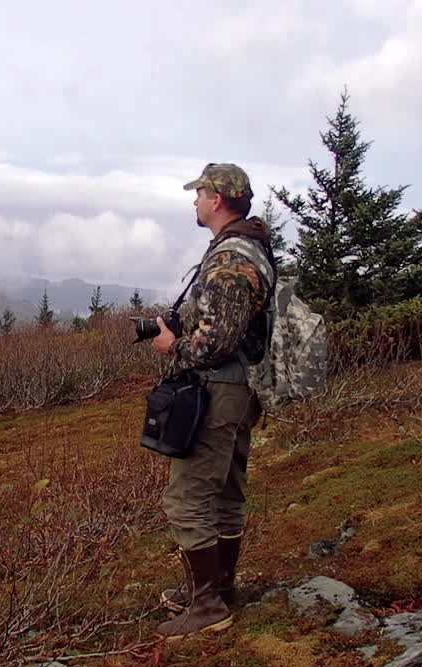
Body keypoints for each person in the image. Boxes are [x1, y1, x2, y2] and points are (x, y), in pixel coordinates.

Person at [151, 163, 274, 640]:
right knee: (225, 492)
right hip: (241, 388)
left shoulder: (230, 259)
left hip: (219, 389)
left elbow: (217, 342)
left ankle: (206, 606)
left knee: (187, 498)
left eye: (199, 193)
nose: (195, 201)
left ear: (217, 199)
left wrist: (172, 346)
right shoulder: (250, 248)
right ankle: (219, 588)